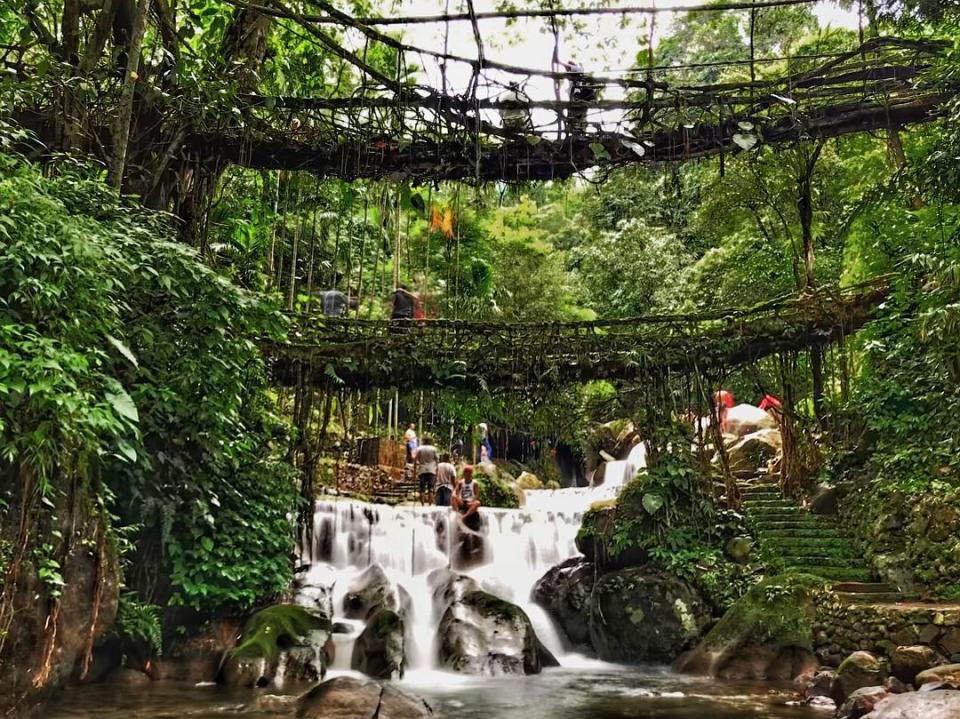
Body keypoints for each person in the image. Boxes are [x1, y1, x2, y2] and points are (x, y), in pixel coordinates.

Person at [560, 59, 598, 136]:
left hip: (578, 97)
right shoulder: (572, 78)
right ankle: (577, 132)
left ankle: (580, 132)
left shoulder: (577, 69)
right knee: (575, 119)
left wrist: (559, 62)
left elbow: (567, 66)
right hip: (575, 98)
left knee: (579, 117)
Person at [414, 436, 439, 506]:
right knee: (431, 489)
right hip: (432, 470)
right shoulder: (434, 449)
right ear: (430, 441)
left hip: (422, 470)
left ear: (424, 441)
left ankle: (422, 505)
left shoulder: (419, 448)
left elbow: (416, 460)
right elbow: (437, 461)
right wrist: (437, 471)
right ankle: (430, 505)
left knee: (422, 489)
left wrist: (415, 472)